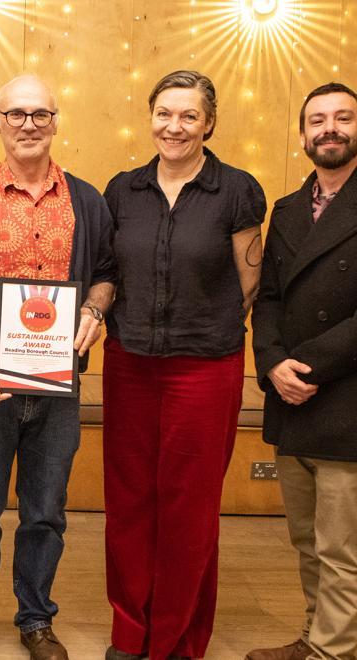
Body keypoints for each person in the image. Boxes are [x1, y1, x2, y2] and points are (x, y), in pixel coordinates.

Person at [0, 74, 116, 660]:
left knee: (45, 514)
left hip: (58, 389)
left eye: (40, 114)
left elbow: (108, 273)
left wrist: (94, 305)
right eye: (16, 114)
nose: (28, 124)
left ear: (56, 121)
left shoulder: (88, 201)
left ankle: (36, 618)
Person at [101, 70, 266, 660]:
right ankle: (131, 630)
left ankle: (175, 638)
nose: (175, 126)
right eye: (165, 113)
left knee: (189, 510)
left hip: (205, 368)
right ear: (151, 117)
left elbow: (250, 284)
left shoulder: (238, 190)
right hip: (129, 364)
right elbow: (108, 276)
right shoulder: (121, 190)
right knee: (127, 505)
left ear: (209, 123)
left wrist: (202, 326)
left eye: (188, 116)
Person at [247, 82, 357, 660]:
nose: (330, 128)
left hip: (345, 397)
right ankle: (319, 635)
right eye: (318, 120)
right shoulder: (288, 208)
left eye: (342, 118)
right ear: (303, 133)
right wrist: (270, 365)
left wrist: (308, 365)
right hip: (289, 396)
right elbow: (266, 300)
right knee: (307, 541)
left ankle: (334, 651)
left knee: (343, 548)